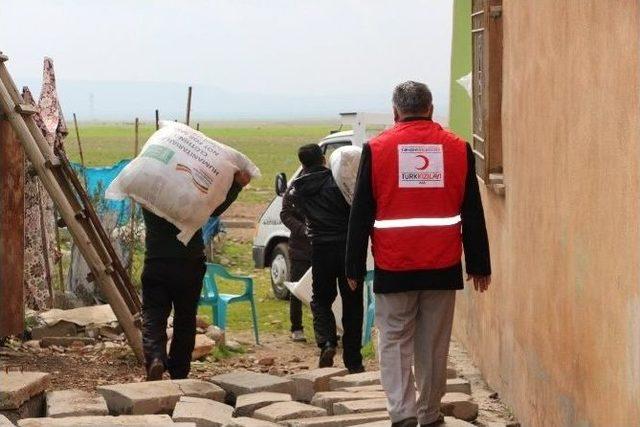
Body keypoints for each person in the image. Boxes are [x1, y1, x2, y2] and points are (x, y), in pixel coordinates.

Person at [346, 81, 491, 427]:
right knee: (433, 344)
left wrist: (351, 264)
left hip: (394, 264)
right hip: (442, 263)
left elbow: (361, 211)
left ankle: (403, 413)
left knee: (394, 341)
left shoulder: (377, 148)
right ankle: (428, 414)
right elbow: (472, 209)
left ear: (396, 111)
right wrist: (479, 263)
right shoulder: (458, 149)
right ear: (430, 108)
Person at [142, 171, 251, 381]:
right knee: (185, 318)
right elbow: (214, 207)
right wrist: (236, 186)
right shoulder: (193, 192)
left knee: (154, 316)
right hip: (188, 262)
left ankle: (155, 358)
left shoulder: (149, 189)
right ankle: (179, 371)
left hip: (156, 261)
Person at [291, 144, 364, 373]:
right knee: (352, 303)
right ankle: (353, 361)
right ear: (323, 160)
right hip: (346, 250)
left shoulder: (298, 189)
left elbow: (301, 213)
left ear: (303, 164)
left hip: (320, 250)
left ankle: (328, 342)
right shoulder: (338, 183)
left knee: (321, 300)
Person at [280, 181, 312, 342]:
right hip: (300, 249)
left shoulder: (329, 182)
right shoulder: (295, 187)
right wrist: (303, 230)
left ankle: (329, 329)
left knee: (327, 290)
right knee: (296, 289)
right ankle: (297, 327)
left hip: (323, 246)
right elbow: (285, 214)